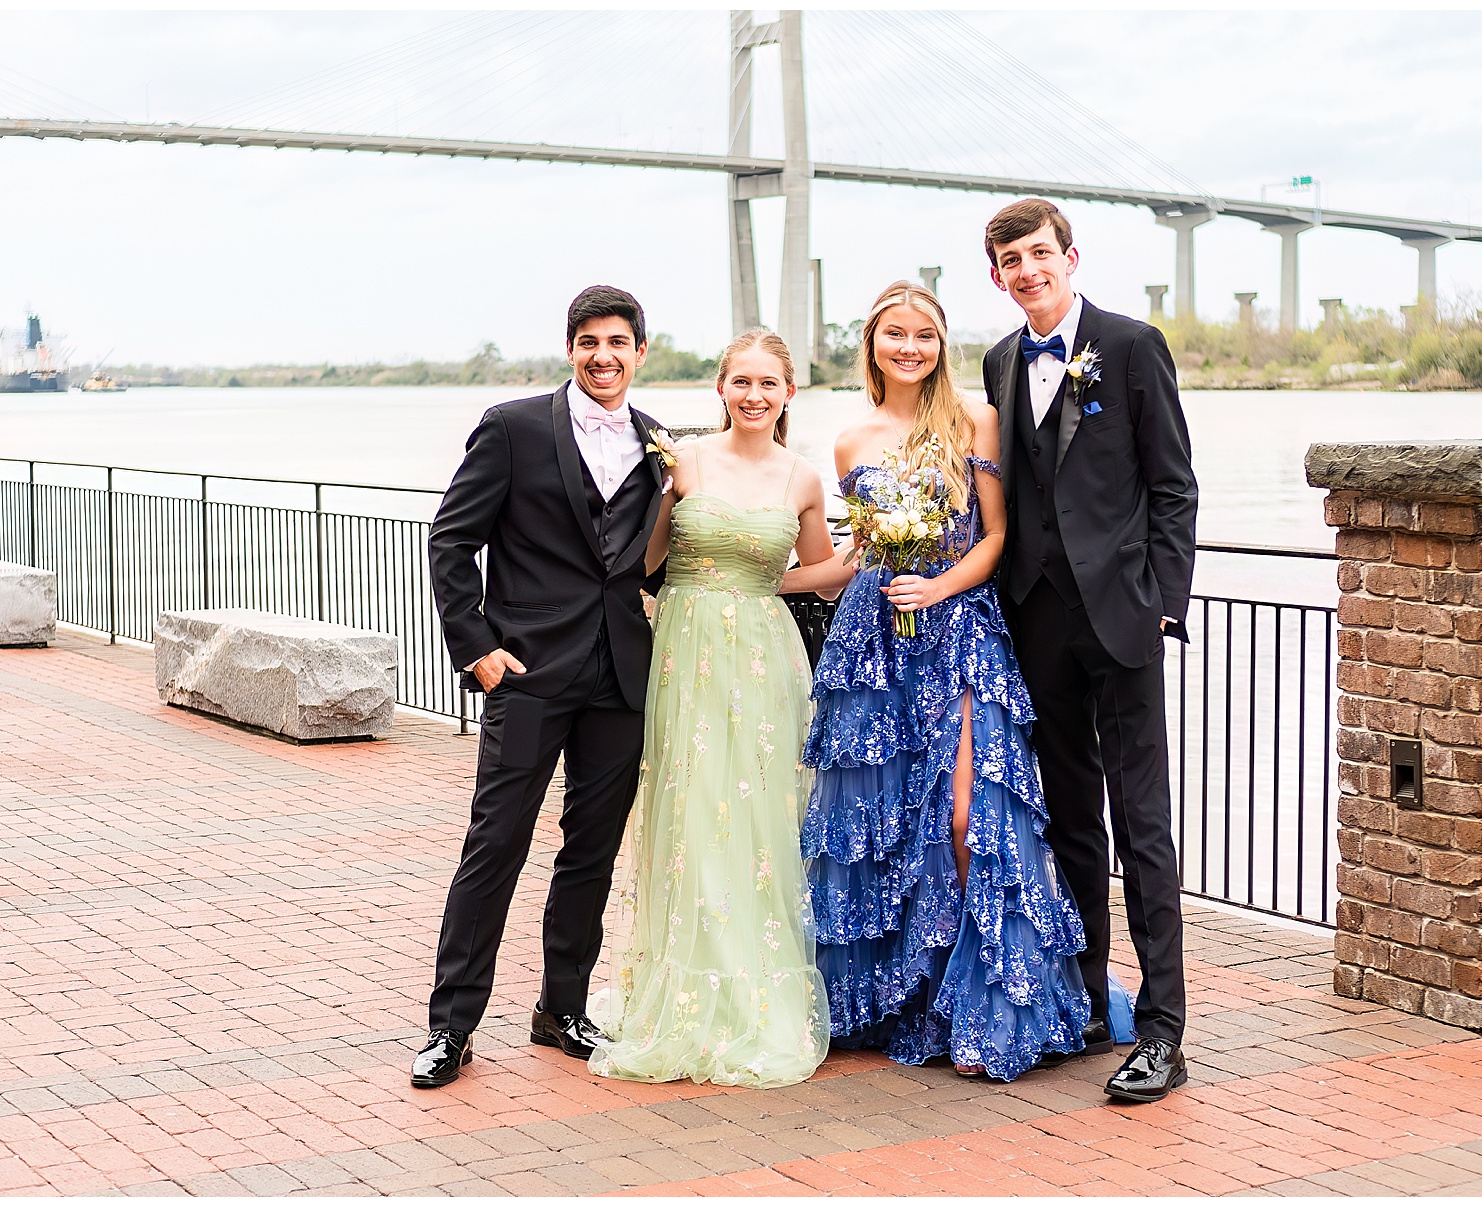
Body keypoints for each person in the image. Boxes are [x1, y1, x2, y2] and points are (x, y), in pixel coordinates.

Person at [803, 281, 1090, 1081]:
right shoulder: (849, 439)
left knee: (967, 815)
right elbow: (858, 552)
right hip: (876, 641)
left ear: (939, 345)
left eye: (923, 335)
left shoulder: (974, 420)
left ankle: (993, 1005)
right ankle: (910, 999)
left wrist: (939, 586)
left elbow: (996, 536)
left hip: (960, 631)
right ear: (873, 345)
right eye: (894, 334)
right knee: (889, 819)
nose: (909, 348)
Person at [413, 285, 670, 1089]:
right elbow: (451, 541)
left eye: (618, 342)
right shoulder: (513, 427)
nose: (604, 355)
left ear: (640, 351)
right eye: (589, 341)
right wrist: (477, 648)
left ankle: (561, 1009)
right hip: (526, 672)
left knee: (591, 851)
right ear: (571, 348)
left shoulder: (661, 443)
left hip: (622, 676)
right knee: (495, 845)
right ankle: (451, 1024)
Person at [588, 328, 849, 1088]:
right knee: (692, 811)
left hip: (766, 660)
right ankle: (682, 988)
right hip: (685, 650)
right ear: (722, 388)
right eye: (742, 382)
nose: (755, 396)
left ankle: (753, 992)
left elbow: (818, 575)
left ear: (789, 392)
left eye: (769, 384)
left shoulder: (802, 478)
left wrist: (874, 549)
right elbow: (643, 559)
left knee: (760, 821)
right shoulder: (685, 461)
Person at [981, 198, 1198, 1103]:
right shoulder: (998, 361)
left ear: (1071, 257)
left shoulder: (1133, 344)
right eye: (1012, 260)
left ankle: (1163, 1032)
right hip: (1035, 621)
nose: (1029, 270)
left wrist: (1160, 605)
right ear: (997, 275)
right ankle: (1079, 1001)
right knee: (1069, 817)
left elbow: (1174, 488)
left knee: (1142, 822)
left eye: (1040, 254)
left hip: (1121, 620)